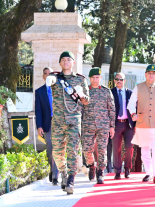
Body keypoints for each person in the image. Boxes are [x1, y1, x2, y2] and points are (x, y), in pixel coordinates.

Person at [46, 51, 90, 194]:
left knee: (72, 151)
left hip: (74, 120)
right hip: (58, 121)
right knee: (57, 153)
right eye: (63, 60)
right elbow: (48, 84)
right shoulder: (54, 78)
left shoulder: (81, 80)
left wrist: (82, 96)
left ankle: (71, 179)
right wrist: (50, 78)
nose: (66, 62)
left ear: (73, 62)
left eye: (68, 59)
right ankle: (63, 173)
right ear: (60, 63)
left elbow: (87, 101)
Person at [127, 64, 155, 183]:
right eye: (149, 73)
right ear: (146, 74)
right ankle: (149, 173)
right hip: (142, 123)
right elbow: (131, 103)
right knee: (145, 150)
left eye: (154, 73)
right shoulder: (138, 87)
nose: (151, 75)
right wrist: (133, 114)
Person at [81, 68, 115, 184]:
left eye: (97, 77)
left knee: (102, 149)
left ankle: (100, 172)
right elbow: (80, 108)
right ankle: (91, 166)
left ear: (100, 78)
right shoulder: (85, 92)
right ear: (90, 79)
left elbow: (111, 109)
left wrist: (112, 126)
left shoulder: (106, 91)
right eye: (93, 78)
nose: (95, 80)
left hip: (103, 125)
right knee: (86, 149)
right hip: (87, 124)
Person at [35, 67, 59, 186]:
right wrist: (39, 126)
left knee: (58, 149)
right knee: (50, 150)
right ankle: (52, 168)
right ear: (43, 76)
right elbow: (38, 111)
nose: (48, 75)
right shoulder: (39, 92)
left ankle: (55, 176)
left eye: (50, 74)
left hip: (59, 123)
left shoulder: (59, 90)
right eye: (46, 74)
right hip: (47, 124)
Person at [111, 72, 135, 179]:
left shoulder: (130, 93)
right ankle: (117, 171)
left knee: (129, 147)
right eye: (117, 79)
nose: (119, 81)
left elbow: (136, 107)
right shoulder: (110, 93)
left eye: (121, 79)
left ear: (125, 81)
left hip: (128, 124)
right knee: (117, 148)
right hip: (116, 124)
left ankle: (127, 169)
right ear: (114, 81)